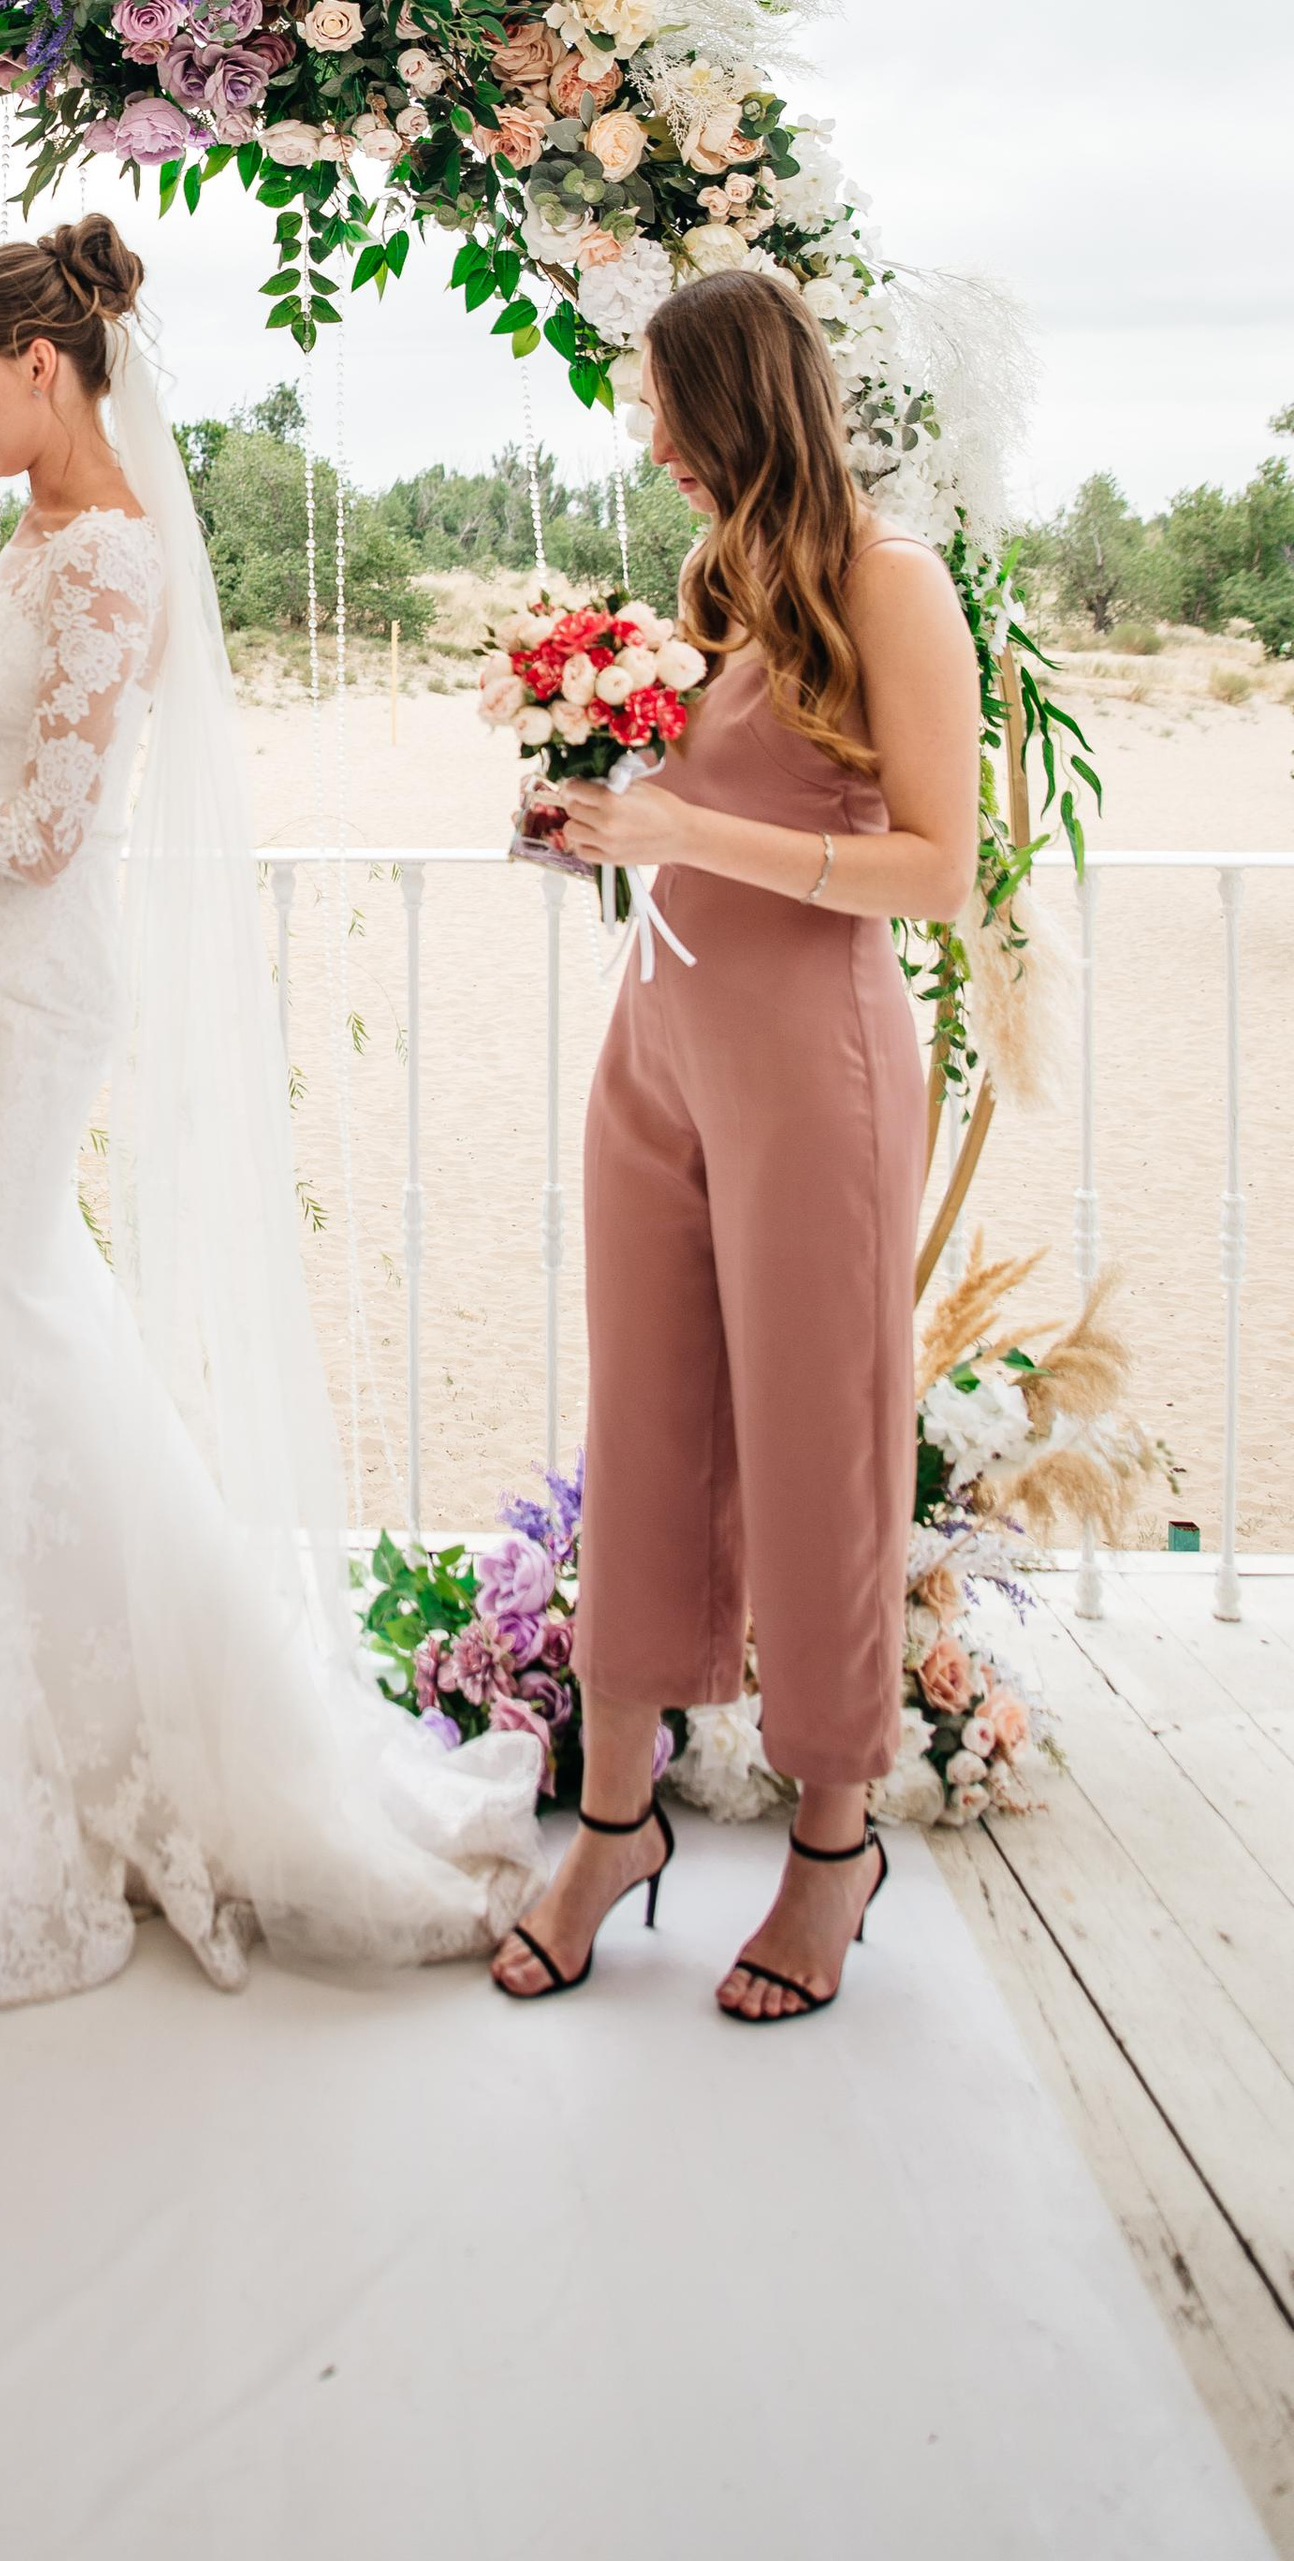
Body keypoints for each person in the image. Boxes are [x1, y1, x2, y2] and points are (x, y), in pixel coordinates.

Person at [0, 217, 542, 2012]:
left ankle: (136, 1741)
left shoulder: (116, 561)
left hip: (32, 986)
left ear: (47, 366)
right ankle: (0, 1713)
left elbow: (46, 837)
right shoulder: (39, 535)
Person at [493, 265, 977, 2023]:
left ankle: (831, 1841)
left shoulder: (891, 585)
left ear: (738, 401)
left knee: (817, 1447)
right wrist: (597, 820)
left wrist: (690, 817)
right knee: (644, 1427)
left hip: (813, 1066)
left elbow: (941, 869)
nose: (654, 447)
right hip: (662, 1042)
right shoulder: (720, 584)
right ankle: (616, 1820)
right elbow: (699, 818)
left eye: (667, 413)